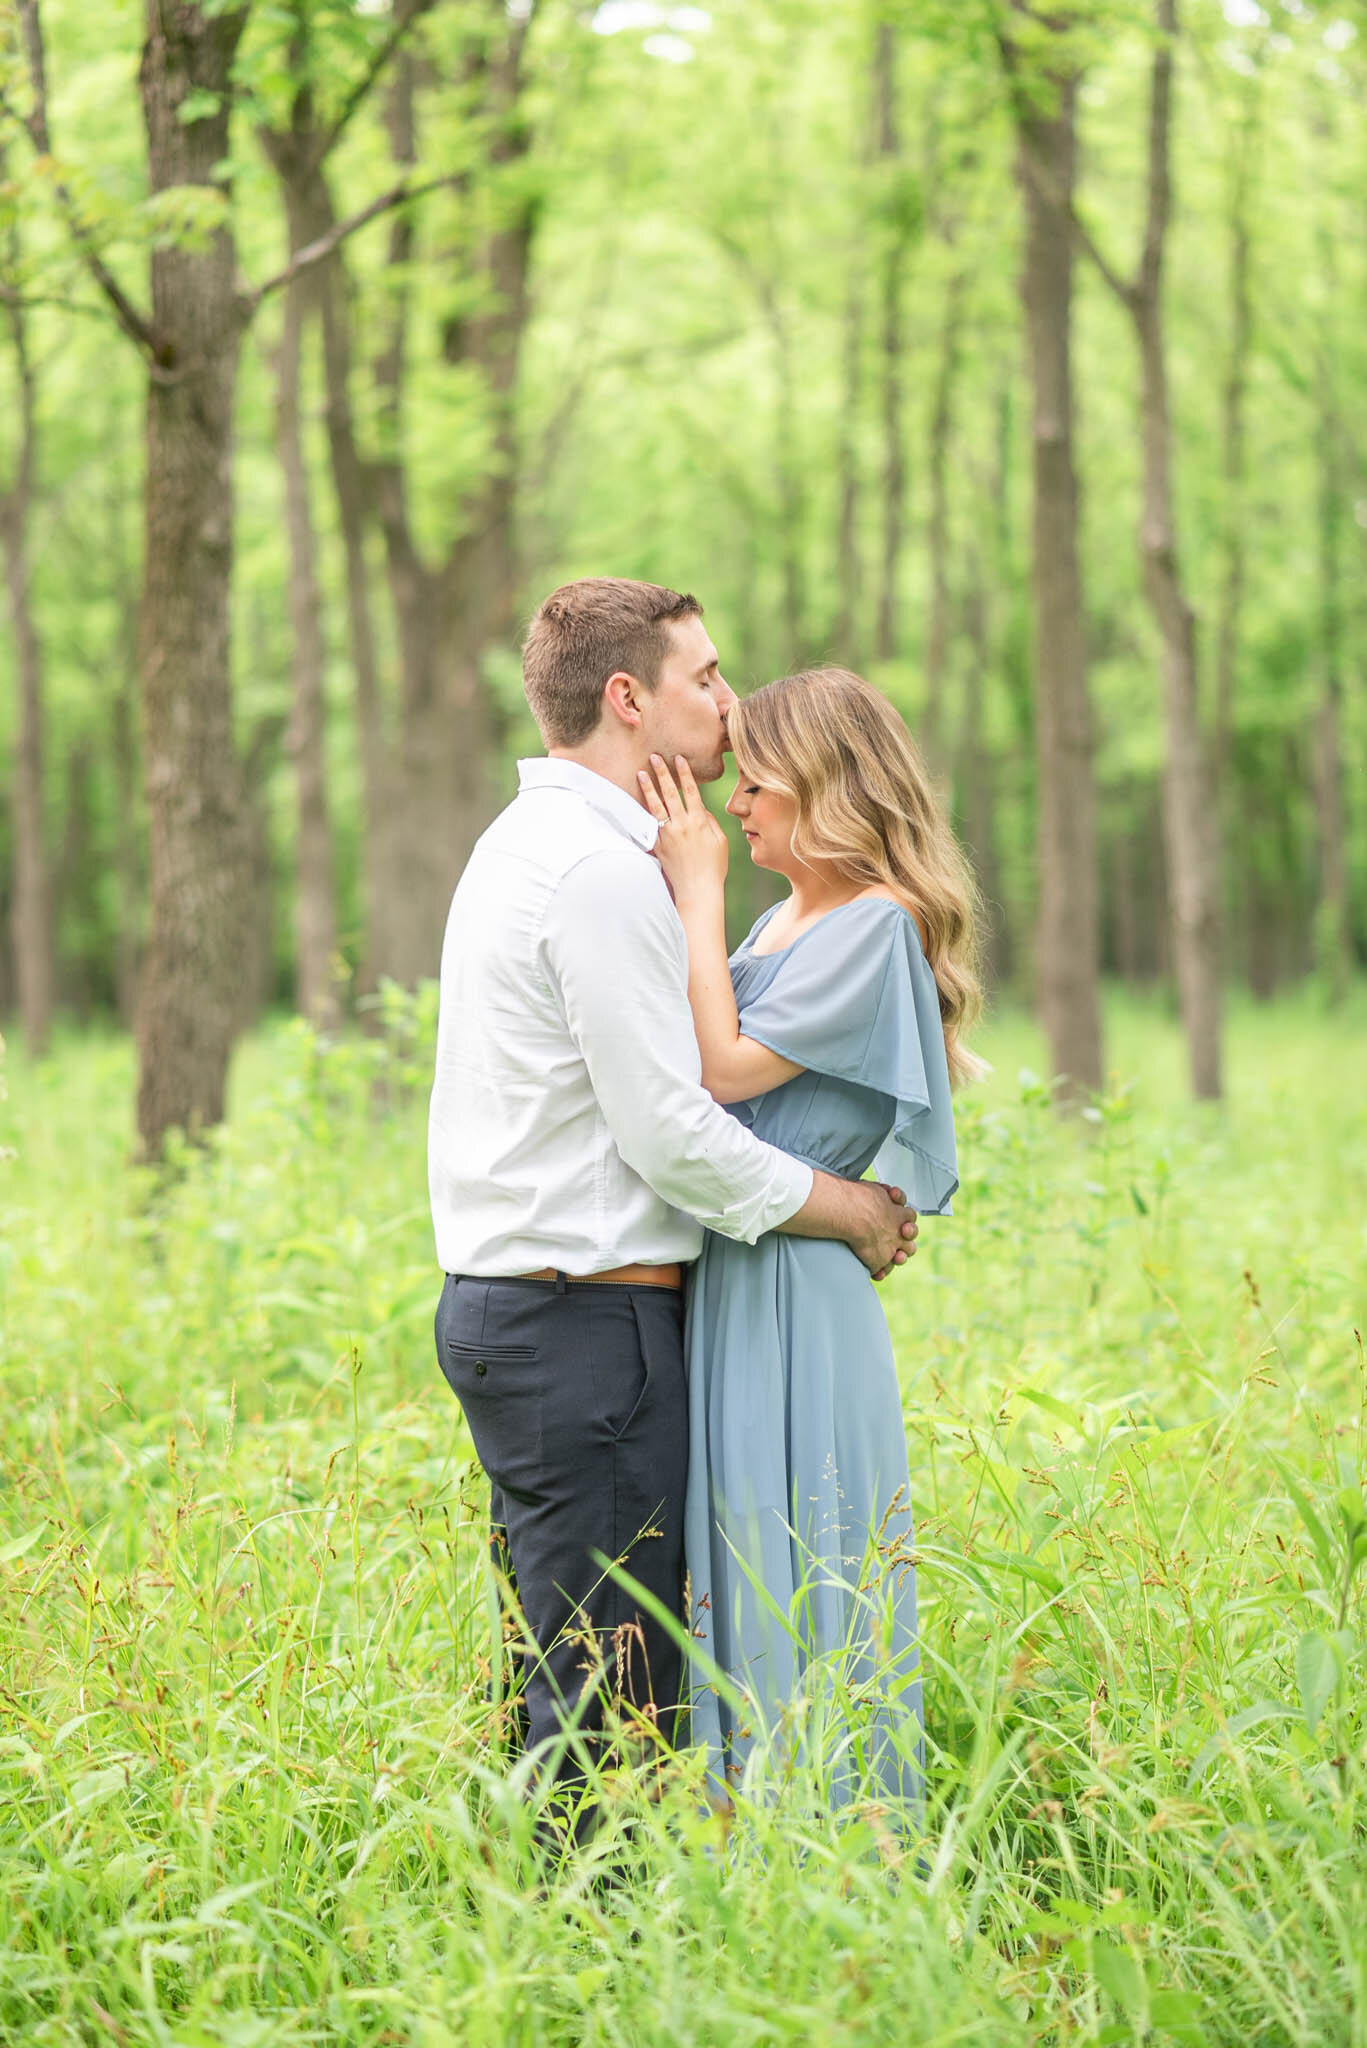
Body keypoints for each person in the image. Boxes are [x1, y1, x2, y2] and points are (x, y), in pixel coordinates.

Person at [427, 584, 919, 1835]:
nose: (729, 700)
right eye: (705, 674)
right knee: (606, 1704)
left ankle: (585, 1957)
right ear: (625, 698)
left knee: (577, 1674)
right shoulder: (596, 873)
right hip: (582, 1326)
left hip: (542, 1314)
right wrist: (846, 1209)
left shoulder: (523, 845)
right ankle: (588, 1983)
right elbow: (674, 1131)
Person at [636, 666, 983, 1808]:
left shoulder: (874, 923)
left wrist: (692, 891)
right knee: (738, 1545)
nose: (731, 805)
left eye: (755, 783)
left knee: (807, 1544)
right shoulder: (781, 919)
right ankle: (748, 1828)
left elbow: (723, 1068)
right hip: (737, 1270)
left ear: (825, 784)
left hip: (797, 1287)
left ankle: (840, 1827)